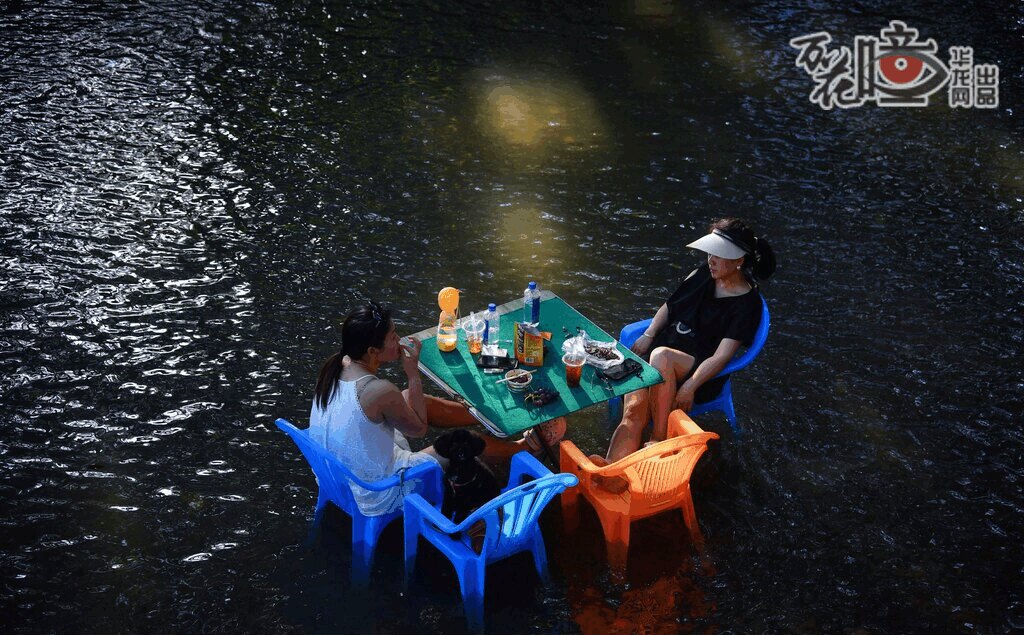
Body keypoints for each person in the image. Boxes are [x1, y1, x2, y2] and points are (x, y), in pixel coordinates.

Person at [308, 301, 562, 516]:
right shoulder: (378, 391)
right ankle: (524, 448)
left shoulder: (337, 364)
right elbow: (419, 429)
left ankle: (486, 417)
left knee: (408, 397)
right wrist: (412, 373)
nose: (399, 339)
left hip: (340, 477)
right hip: (377, 492)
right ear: (373, 350)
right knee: (460, 443)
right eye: (393, 336)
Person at [598, 218, 776, 470]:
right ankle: (609, 471)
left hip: (696, 370)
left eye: (719, 255)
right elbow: (670, 307)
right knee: (633, 413)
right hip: (659, 357)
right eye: (710, 252)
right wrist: (649, 333)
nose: (710, 260)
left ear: (739, 261)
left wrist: (690, 386)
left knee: (662, 356)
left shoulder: (747, 305)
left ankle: (658, 439)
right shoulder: (703, 275)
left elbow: (722, 357)